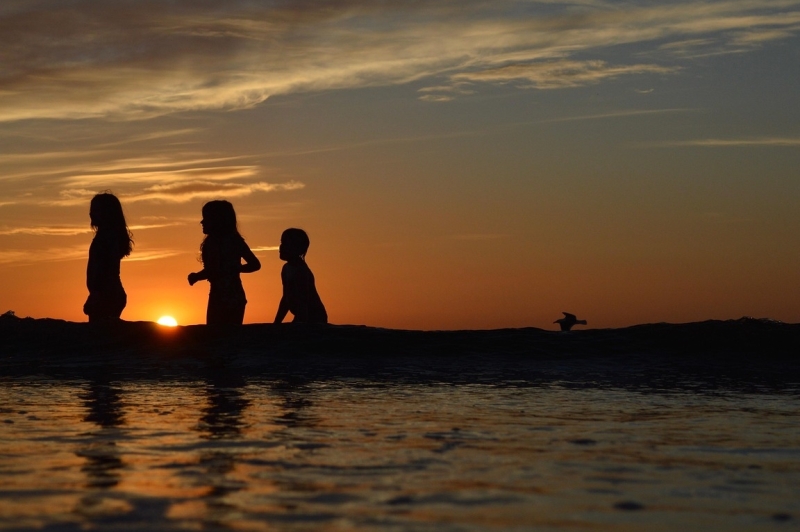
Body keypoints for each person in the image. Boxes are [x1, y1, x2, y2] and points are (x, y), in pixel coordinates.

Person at [188, 200, 261, 325]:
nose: (202, 222)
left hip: (226, 296)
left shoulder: (224, 242)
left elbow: (214, 270)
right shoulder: (230, 241)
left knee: (216, 334)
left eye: (206, 218)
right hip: (228, 295)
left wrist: (196, 276)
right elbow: (254, 264)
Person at [83, 192, 133, 323]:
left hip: (106, 295)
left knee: (99, 336)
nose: (91, 213)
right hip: (109, 294)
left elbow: (103, 271)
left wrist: (95, 295)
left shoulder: (106, 239)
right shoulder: (108, 237)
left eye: (95, 210)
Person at [274, 228, 327, 324]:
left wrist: (299, 323)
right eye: (281, 242)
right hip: (301, 316)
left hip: (314, 317)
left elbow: (303, 301)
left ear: (298, 248)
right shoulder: (286, 268)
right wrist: (277, 322)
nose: (281, 247)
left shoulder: (301, 271)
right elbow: (286, 298)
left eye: (286, 244)